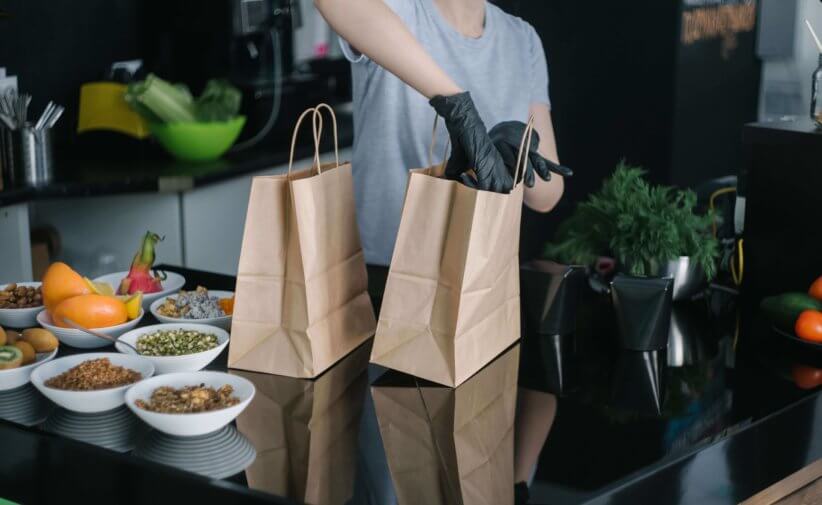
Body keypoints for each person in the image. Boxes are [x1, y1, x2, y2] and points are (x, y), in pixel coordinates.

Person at [314, 0, 571, 266]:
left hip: (475, 274)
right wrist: (457, 106)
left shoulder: (522, 38)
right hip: (382, 269)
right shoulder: (399, 9)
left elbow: (547, 195)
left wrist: (517, 151)